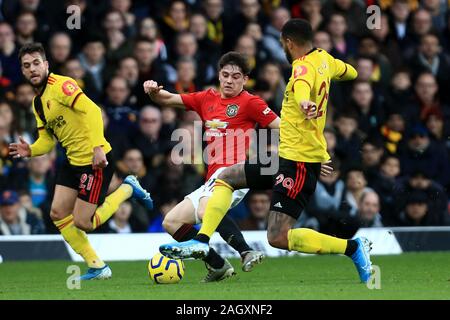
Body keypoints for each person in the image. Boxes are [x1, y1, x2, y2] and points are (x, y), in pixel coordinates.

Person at [160, 19, 374, 283]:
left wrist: (306, 101)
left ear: (288, 42)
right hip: (287, 156)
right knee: (226, 177)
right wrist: (333, 75)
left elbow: (303, 86)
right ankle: (203, 240)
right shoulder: (325, 60)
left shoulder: (301, 69)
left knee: (278, 237)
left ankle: (353, 248)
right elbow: (351, 72)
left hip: (298, 162)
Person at [9, 43, 153, 280]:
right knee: (57, 213)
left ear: (46, 65)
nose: (32, 69)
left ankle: (127, 188)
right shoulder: (37, 102)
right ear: (23, 71)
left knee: (84, 222)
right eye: (27, 66)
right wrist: (31, 150)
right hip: (72, 161)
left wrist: (97, 147)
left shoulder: (62, 85)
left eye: (36, 63)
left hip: (95, 161)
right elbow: (47, 140)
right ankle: (97, 266)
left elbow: (94, 111)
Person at [143, 51, 280, 282]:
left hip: (235, 173)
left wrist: (303, 153)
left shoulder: (250, 102)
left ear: (245, 79)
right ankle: (217, 265)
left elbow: (281, 126)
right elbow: (167, 99)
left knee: (208, 211)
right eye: (225, 75)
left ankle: (245, 251)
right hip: (211, 177)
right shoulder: (206, 98)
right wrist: (153, 91)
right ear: (218, 75)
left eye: (236, 76)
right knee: (172, 222)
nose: (229, 80)